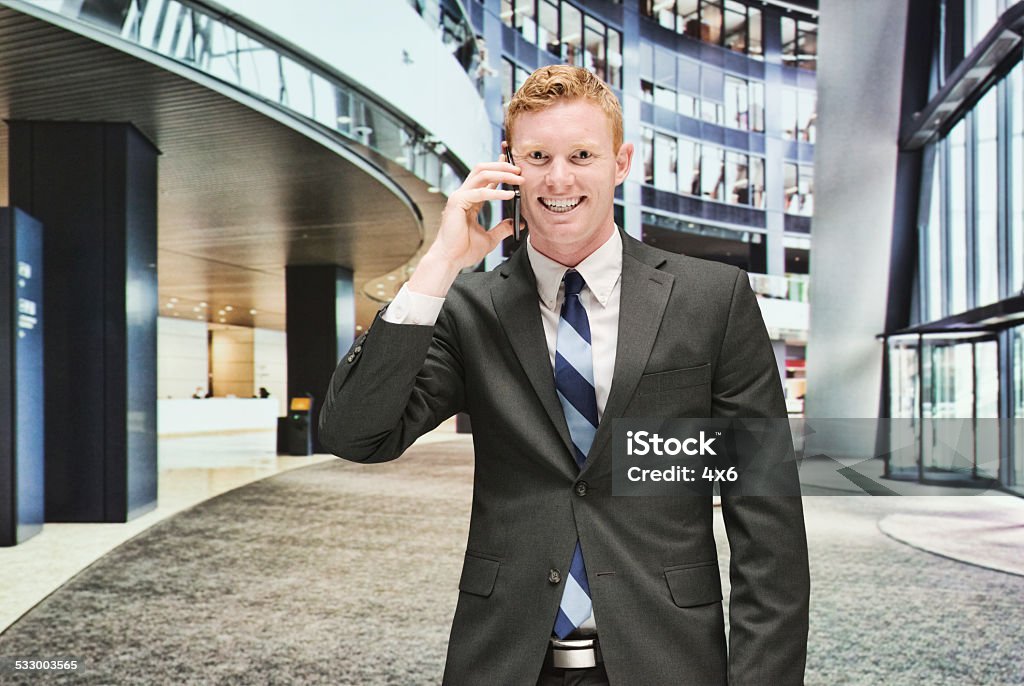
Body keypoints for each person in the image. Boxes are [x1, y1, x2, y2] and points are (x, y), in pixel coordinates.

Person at [319, 65, 809, 685]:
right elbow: (355, 434)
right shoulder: (471, 308)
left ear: (621, 161)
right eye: (538, 155)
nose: (558, 177)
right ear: (510, 164)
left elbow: (766, 515)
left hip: (668, 658)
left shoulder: (712, 298)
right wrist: (438, 266)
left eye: (582, 154)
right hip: (508, 661)